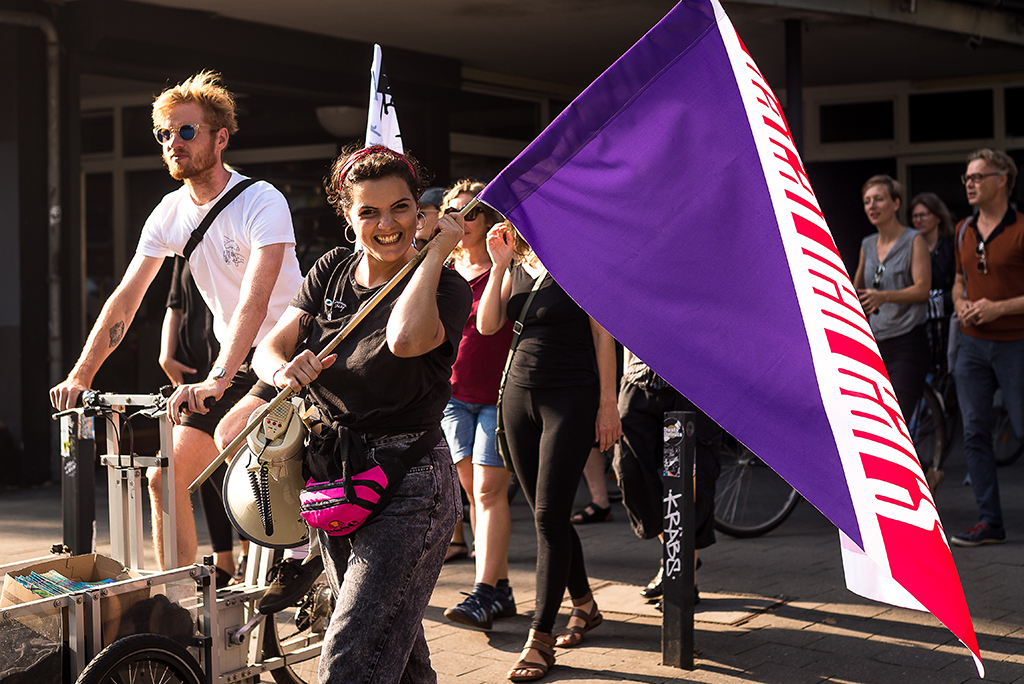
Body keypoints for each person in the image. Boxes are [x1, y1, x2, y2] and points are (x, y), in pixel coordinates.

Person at [49, 70, 303, 571]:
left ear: (220, 137)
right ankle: (176, 602)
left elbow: (256, 299)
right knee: (165, 475)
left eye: (185, 131)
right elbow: (125, 300)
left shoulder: (261, 200)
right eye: (164, 134)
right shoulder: (168, 213)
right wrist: (82, 375)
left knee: (248, 452)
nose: (173, 143)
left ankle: (294, 558)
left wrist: (218, 376)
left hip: (289, 353)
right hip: (235, 361)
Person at [252, 144, 472, 682]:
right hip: (332, 478)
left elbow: (404, 339)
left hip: (409, 484)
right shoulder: (331, 270)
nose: (387, 223)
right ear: (348, 218)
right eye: (368, 211)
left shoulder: (445, 284)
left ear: (421, 212)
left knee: (350, 657)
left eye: (401, 207)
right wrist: (283, 370)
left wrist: (437, 253)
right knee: (399, 658)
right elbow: (269, 347)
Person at [477, 223, 621, 682]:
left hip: (571, 396)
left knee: (546, 517)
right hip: (517, 396)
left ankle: (539, 638)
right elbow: (487, 324)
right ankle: (585, 605)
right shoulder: (516, 264)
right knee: (551, 516)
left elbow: (603, 335)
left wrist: (608, 403)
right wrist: (499, 264)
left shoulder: (580, 259)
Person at [436, 180, 518, 631]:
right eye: (453, 212)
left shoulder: (505, 268)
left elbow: (490, 327)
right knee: (472, 496)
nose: (460, 221)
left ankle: (483, 593)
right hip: (452, 398)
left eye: (469, 213)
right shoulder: (443, 267)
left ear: (486, 220)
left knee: (488, 494)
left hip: (496, 398)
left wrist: (497, 262)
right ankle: (501, 587)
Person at [949, 149, 1024, 547]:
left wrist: (998, 309)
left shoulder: (1022, 228)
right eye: (967, 178)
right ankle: (989, 523)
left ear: (1003, 180)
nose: (970, 184)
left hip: (1016, 344)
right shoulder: (963, 229)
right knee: (975, 432)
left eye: (978, 176)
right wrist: (961, 304)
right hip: (972, 346)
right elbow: (960, 280)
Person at [160, 256, 245, 586]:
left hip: (230, 371)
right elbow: (175, 306)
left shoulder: (234, 238)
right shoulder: (185, 248)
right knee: (206, 467)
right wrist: (166, 354)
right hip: (193, 371)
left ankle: (247, 551)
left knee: (225, 463)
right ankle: (225, 559)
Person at [612, 351, 720, 607]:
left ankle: (683, 575)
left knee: (687, 479)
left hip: (691, 382)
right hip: (639, 378)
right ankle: (674, 554)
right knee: (629, 470)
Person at [853, 175, 931, 423]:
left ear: (896, 203)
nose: (871, 206)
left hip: (908, 341)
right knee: (874, 419)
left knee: (897, 420)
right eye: (867, 201)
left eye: (878, 199)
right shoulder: (867, 244)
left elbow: (922, 290)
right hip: (876, 343)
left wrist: (884, 296)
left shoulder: (913, 240)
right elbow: (857, 289)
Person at [909, 192, 957, 370]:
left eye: (923, 215)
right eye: (915, 216)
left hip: (946, 323)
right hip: (918, 323)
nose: (918, 220)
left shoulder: (950, 246)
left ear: (938, 217)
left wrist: (934, 301)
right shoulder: (909, 248)